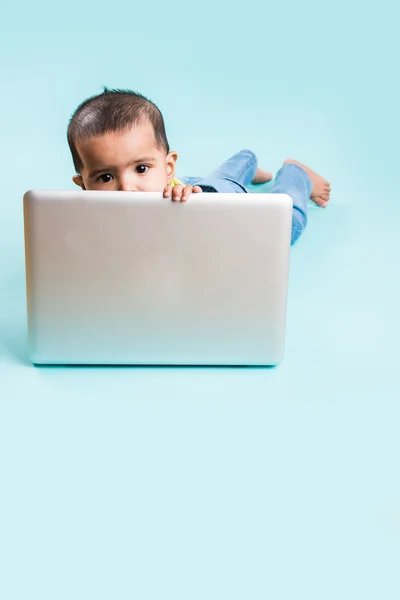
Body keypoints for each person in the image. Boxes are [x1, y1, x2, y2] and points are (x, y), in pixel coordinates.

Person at [67, 87, 331, 245]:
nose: (127, 188)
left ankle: (296, 174)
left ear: (168, 167)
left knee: (287, 227)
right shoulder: (84, 214)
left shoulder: (180, 199)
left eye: (141, 169)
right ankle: (247, 160)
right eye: (105, 177)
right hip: (202, 182)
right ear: (83, 184)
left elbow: (190, 207)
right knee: (222, 177)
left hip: (215, 200)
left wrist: (187, 199)